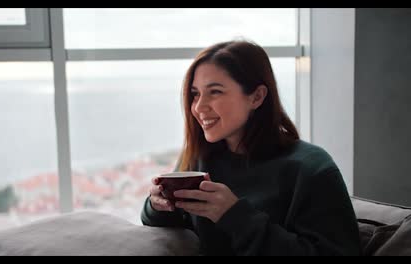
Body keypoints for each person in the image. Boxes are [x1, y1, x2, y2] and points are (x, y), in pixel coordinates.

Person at [141, 39, 362, 256]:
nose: (199, 107)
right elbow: (171, 227)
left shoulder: (310, 168)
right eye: (195, 94)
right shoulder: (201, 158)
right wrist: (157, 205)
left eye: (215, 92)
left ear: (256, 97)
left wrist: (234, 216)